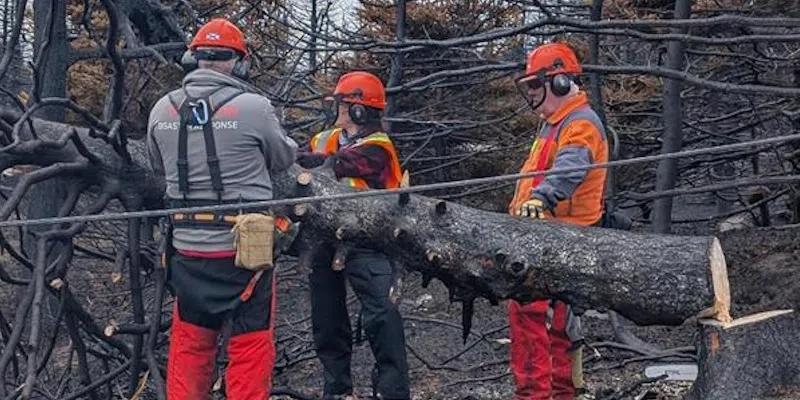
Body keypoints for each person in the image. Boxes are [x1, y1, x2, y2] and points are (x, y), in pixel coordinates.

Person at [146, 18, 298, 400]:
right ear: (241, 64)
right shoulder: (254, 107)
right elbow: (282, 158)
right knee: (249, 346)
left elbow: (155, 166)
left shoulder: (161, 110)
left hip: (186, 252)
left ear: (191, 59)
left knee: (191, 345)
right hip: (243, 253)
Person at [295, 71, 410, 400]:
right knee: (327, 321)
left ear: (359, 110)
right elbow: (303, 154)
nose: (338, 109)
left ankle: (392, 391)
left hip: (368, 242)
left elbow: (340, 165)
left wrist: (304, 159)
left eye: (343, 104)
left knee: (382, 316)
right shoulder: (325, 138)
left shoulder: (378, 148)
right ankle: (337, 390)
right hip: (324, 240)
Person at [507, 42, 609, 400]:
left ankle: (538, 395)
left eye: (537, 85)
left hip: (562, 240)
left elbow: (571, 169)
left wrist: (541, 198)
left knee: (533, 320)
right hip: (545, 237)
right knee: (552, 326)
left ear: (561, 83)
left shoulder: (580, 124)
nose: (532, 93)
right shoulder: (554, 124)